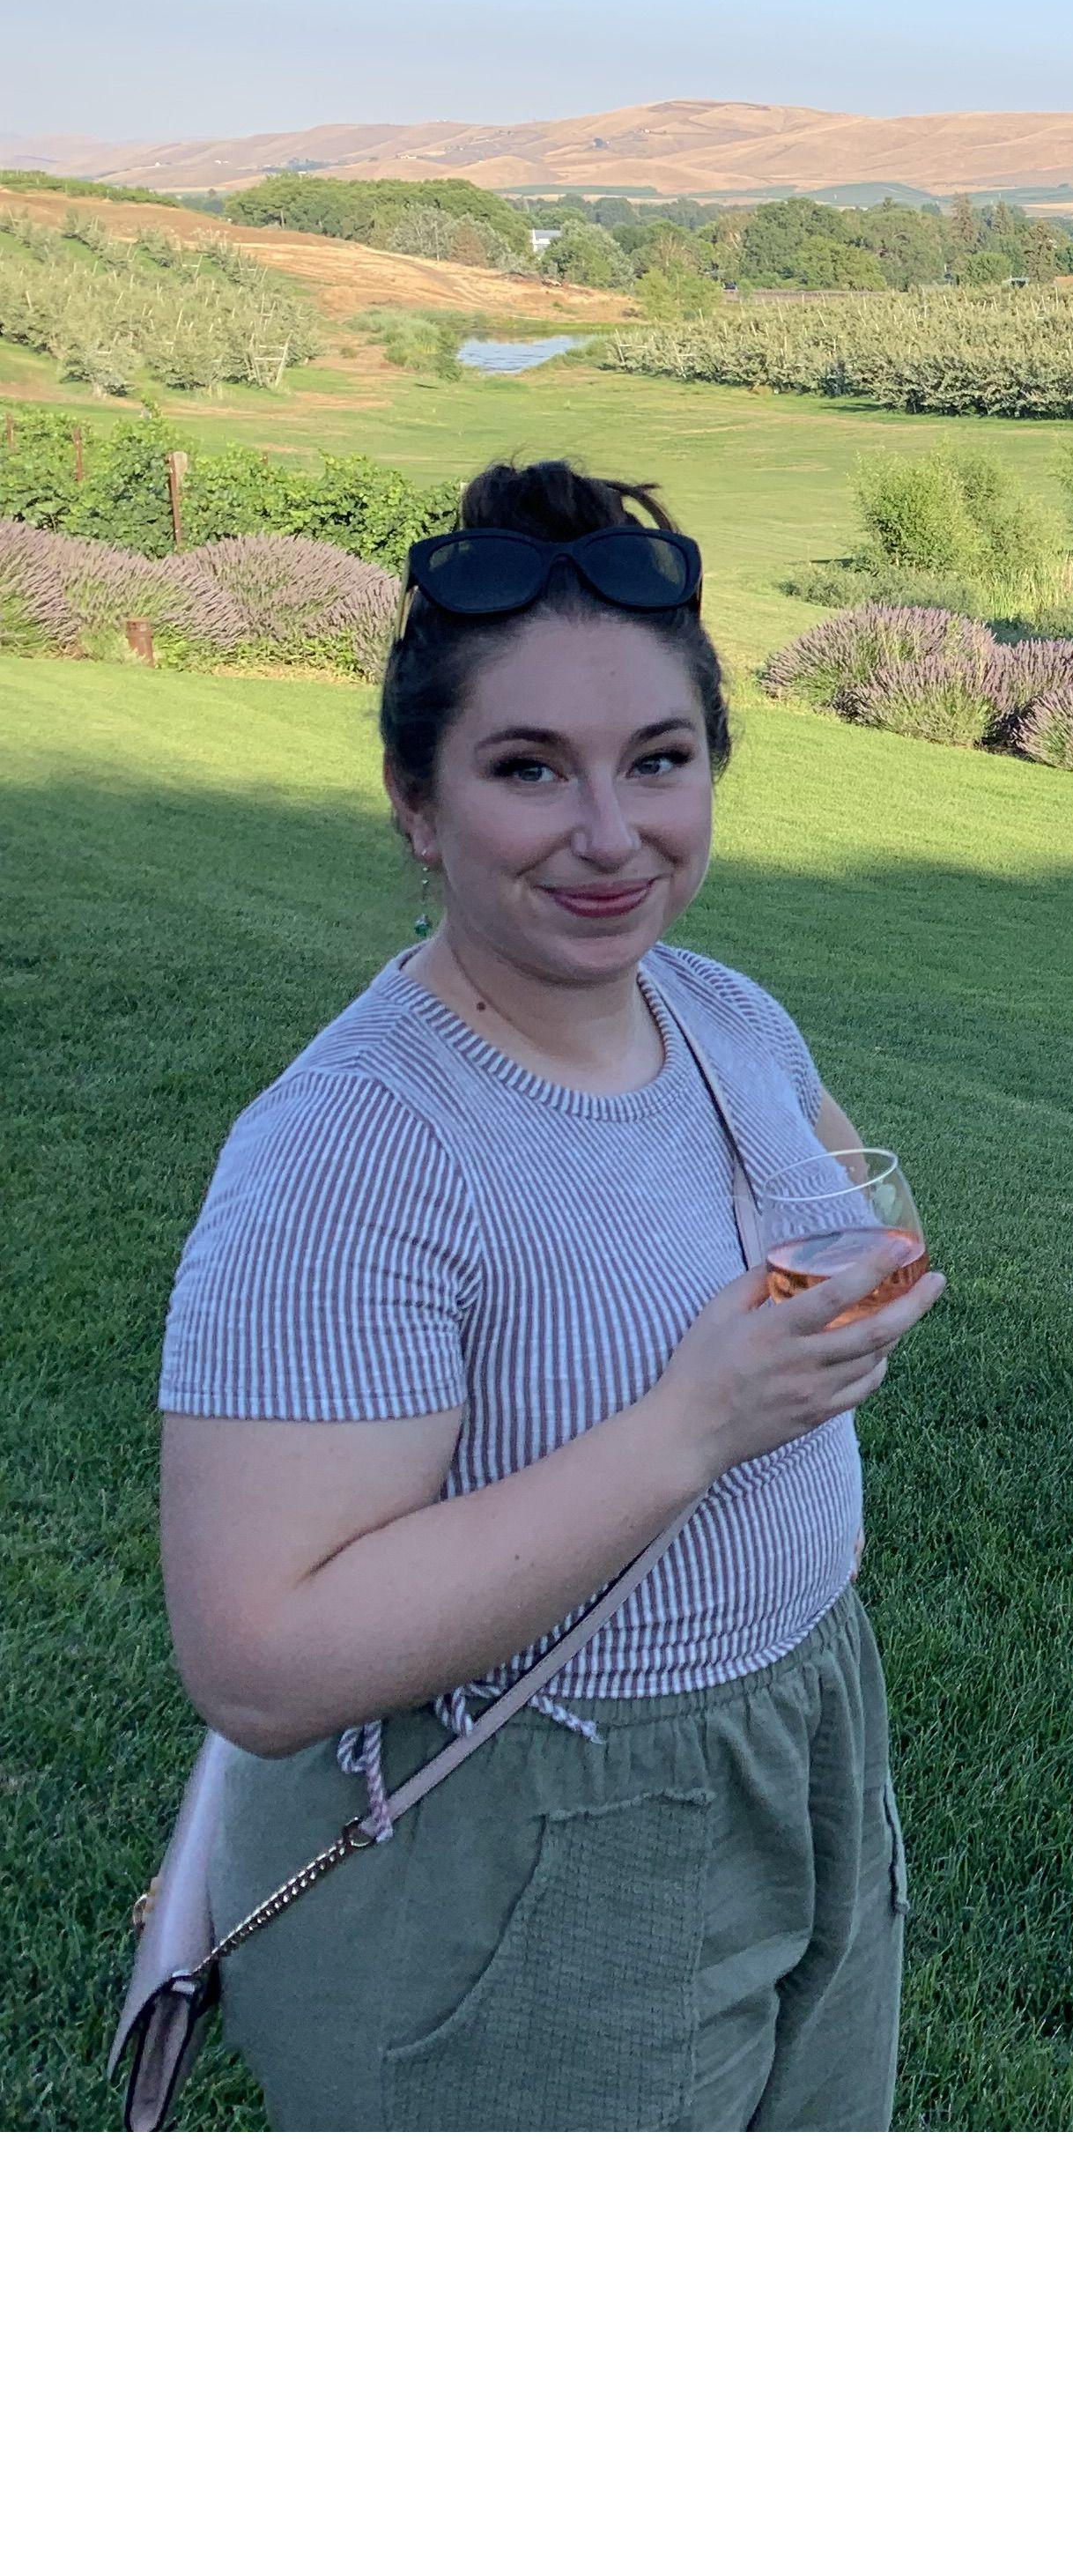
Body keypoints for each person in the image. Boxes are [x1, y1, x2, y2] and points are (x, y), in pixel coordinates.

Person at [157, 458, 945, 2129]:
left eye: (659, 763)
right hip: (533, 1827)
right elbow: (262, 1657)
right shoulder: (353, 1149)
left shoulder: (722, 1008)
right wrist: (694, 1427)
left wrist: (871, 1290)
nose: (612, 836)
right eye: (531, 769)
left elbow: (862, 1203)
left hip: (801, 1726)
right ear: (418, 803)